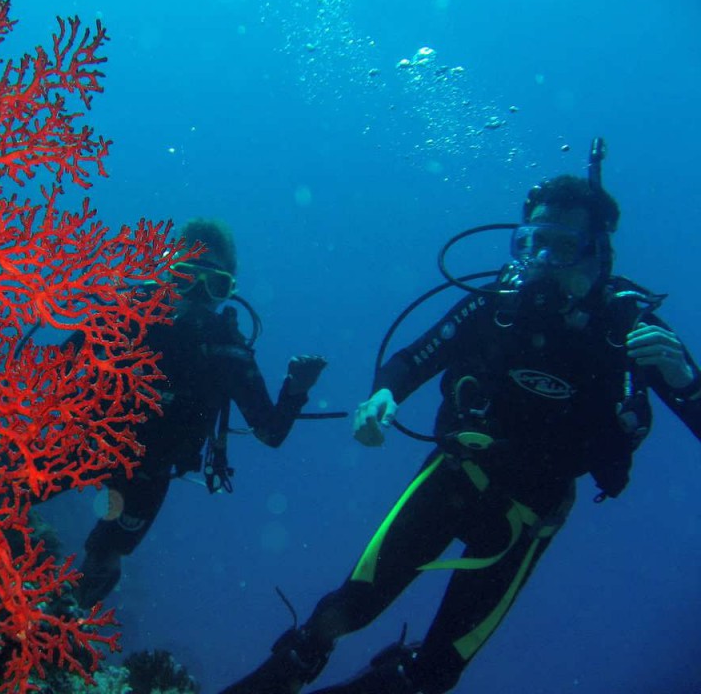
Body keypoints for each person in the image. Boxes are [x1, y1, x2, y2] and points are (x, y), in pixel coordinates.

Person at [219, 160, 701, 694]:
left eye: (560, 248)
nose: (539, 261)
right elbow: (415, 356)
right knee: (344, 610)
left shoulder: (627, 330)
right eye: (530, 243)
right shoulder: (497, 306)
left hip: (527, 517)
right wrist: (384, 394)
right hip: (454, 476)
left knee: (436, 672)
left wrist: (687, 381)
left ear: (597, 254)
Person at [74, 217, 327, 608]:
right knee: (7, 492)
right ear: (169, 273)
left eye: (215, 285)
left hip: (150, 471)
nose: (197, 294)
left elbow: (270, 433)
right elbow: (56, 365)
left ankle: (56, 624)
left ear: (228, 291)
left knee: (105, 559)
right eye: (187, 276)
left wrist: (295, 390)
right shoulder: (130, 315)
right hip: (86, 441)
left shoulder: (229, 352)